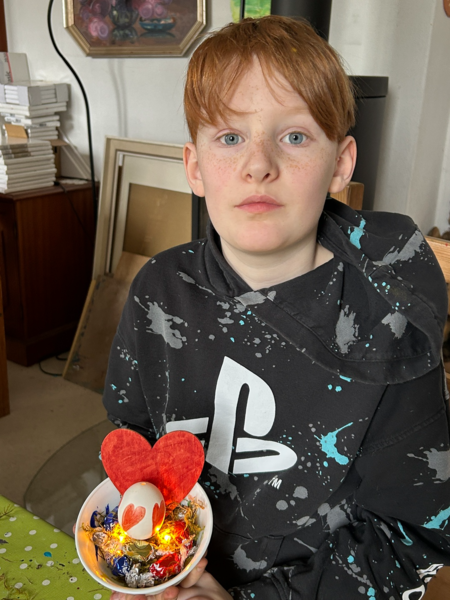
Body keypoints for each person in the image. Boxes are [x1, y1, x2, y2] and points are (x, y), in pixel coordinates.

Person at [103, 15, 450, 600]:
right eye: (229, 137)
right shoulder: (158, 289)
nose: (258, 163)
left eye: (294, 137)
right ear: (194, 167)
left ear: (340, 164)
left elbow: (413, 536)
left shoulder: (391, 318)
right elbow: (131, 436)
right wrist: (154, 563)